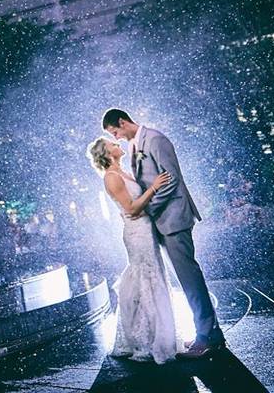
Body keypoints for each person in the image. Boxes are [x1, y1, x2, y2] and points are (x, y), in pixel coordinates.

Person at [102, 108, 225, 358]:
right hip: (160, 223)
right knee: (185, 279)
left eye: (115, 131)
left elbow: (170, 180)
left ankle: (207, 337)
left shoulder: (155, 140)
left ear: (123, 122)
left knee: (190, 279)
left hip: (173, 219)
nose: (117, 137)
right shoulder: (137, 146)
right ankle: (211, 333)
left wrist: (148, 211)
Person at [87, 137, 176, 363]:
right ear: (107, 154)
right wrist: (154, 187)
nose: (118, 145)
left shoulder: (125, 172)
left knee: (154, 277)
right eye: (113, 145)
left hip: (147, 230)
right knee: (145, 279)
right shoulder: (112, 178)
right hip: (137, 233)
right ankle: (145, 339)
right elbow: (132, 209)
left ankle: (159, 333)